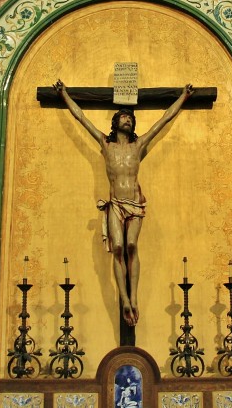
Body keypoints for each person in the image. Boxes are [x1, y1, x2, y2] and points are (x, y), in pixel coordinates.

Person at [53, 79, 193, 326]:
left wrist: (183, 97)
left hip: (135, 203)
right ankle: (124, 298)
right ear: (115, 123)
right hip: (116, 203)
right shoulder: (105, 145)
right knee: (117, 248)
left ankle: (134, 297)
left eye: (130, 118)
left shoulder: (138, 146)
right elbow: (81, 119)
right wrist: (64, 94)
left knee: (131, 245)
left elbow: (164, 121)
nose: (127, 120)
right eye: (123, 117)